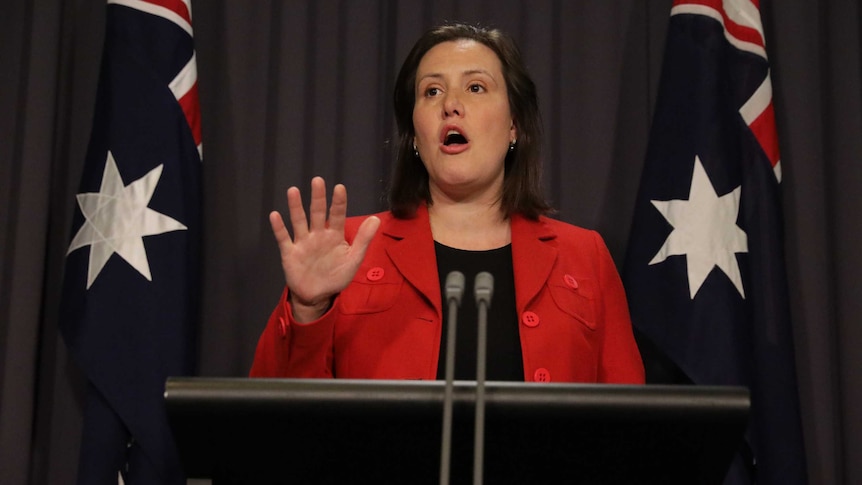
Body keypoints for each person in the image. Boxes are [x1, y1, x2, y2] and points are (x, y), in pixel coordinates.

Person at [250, 23, 644, 384]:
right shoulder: (350, 247)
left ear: (514, 126)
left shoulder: (584, 255)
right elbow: (278, 420)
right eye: (432, 91)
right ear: (415, 138)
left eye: (475, 87)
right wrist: (308, 308)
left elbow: (629, 426)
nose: (450, 105)